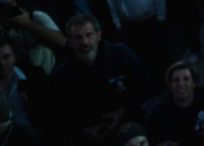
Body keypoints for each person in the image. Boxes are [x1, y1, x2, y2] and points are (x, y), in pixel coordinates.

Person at [50, 14, 151, 146]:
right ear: (70, 41)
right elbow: (60, 113)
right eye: (78, 37)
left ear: (98, 35)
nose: (85, 42)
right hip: (91, 133)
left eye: (89, 35)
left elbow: (145, 86)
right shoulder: (62, 76)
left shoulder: (121, 55)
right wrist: (83, 130)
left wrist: (122, 111)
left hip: (129, 121)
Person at [145, 61, 204, 146]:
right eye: (176, 80)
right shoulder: (157, 115)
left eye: (186, 79)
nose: (181, 84)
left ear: (194, 83)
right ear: (170, 86)